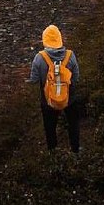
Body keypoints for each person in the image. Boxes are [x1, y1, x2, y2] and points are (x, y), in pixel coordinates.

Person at [28, 24, 80, 152]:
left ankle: (53, 154)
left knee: (50, 129)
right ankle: (76, 150)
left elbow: (34, 80)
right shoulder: (70, 55)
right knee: (73, 125)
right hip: (69, 99)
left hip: (48, 102)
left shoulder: (39, 58)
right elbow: (76, 78)